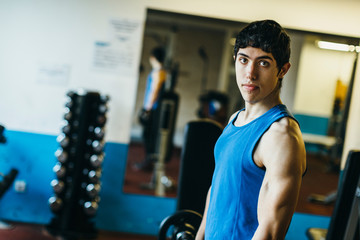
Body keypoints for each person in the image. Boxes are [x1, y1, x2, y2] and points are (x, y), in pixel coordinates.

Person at [195, 20, 306, 240]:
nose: (250, 73)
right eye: (244, 60)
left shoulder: (281, 136)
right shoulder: (236, 118)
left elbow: (271, 229)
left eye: (263, 63)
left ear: (282, 70)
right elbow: (217, 190)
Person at [135, 47, 168, 172]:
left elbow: (154, 91)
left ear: (153, 57)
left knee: (147, 135)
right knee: (149, 135)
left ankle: (149, 161)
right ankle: (149, 160)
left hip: (153, 109)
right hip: (155, 109)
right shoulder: (161, 72)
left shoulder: (158, 72)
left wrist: (147, 108)